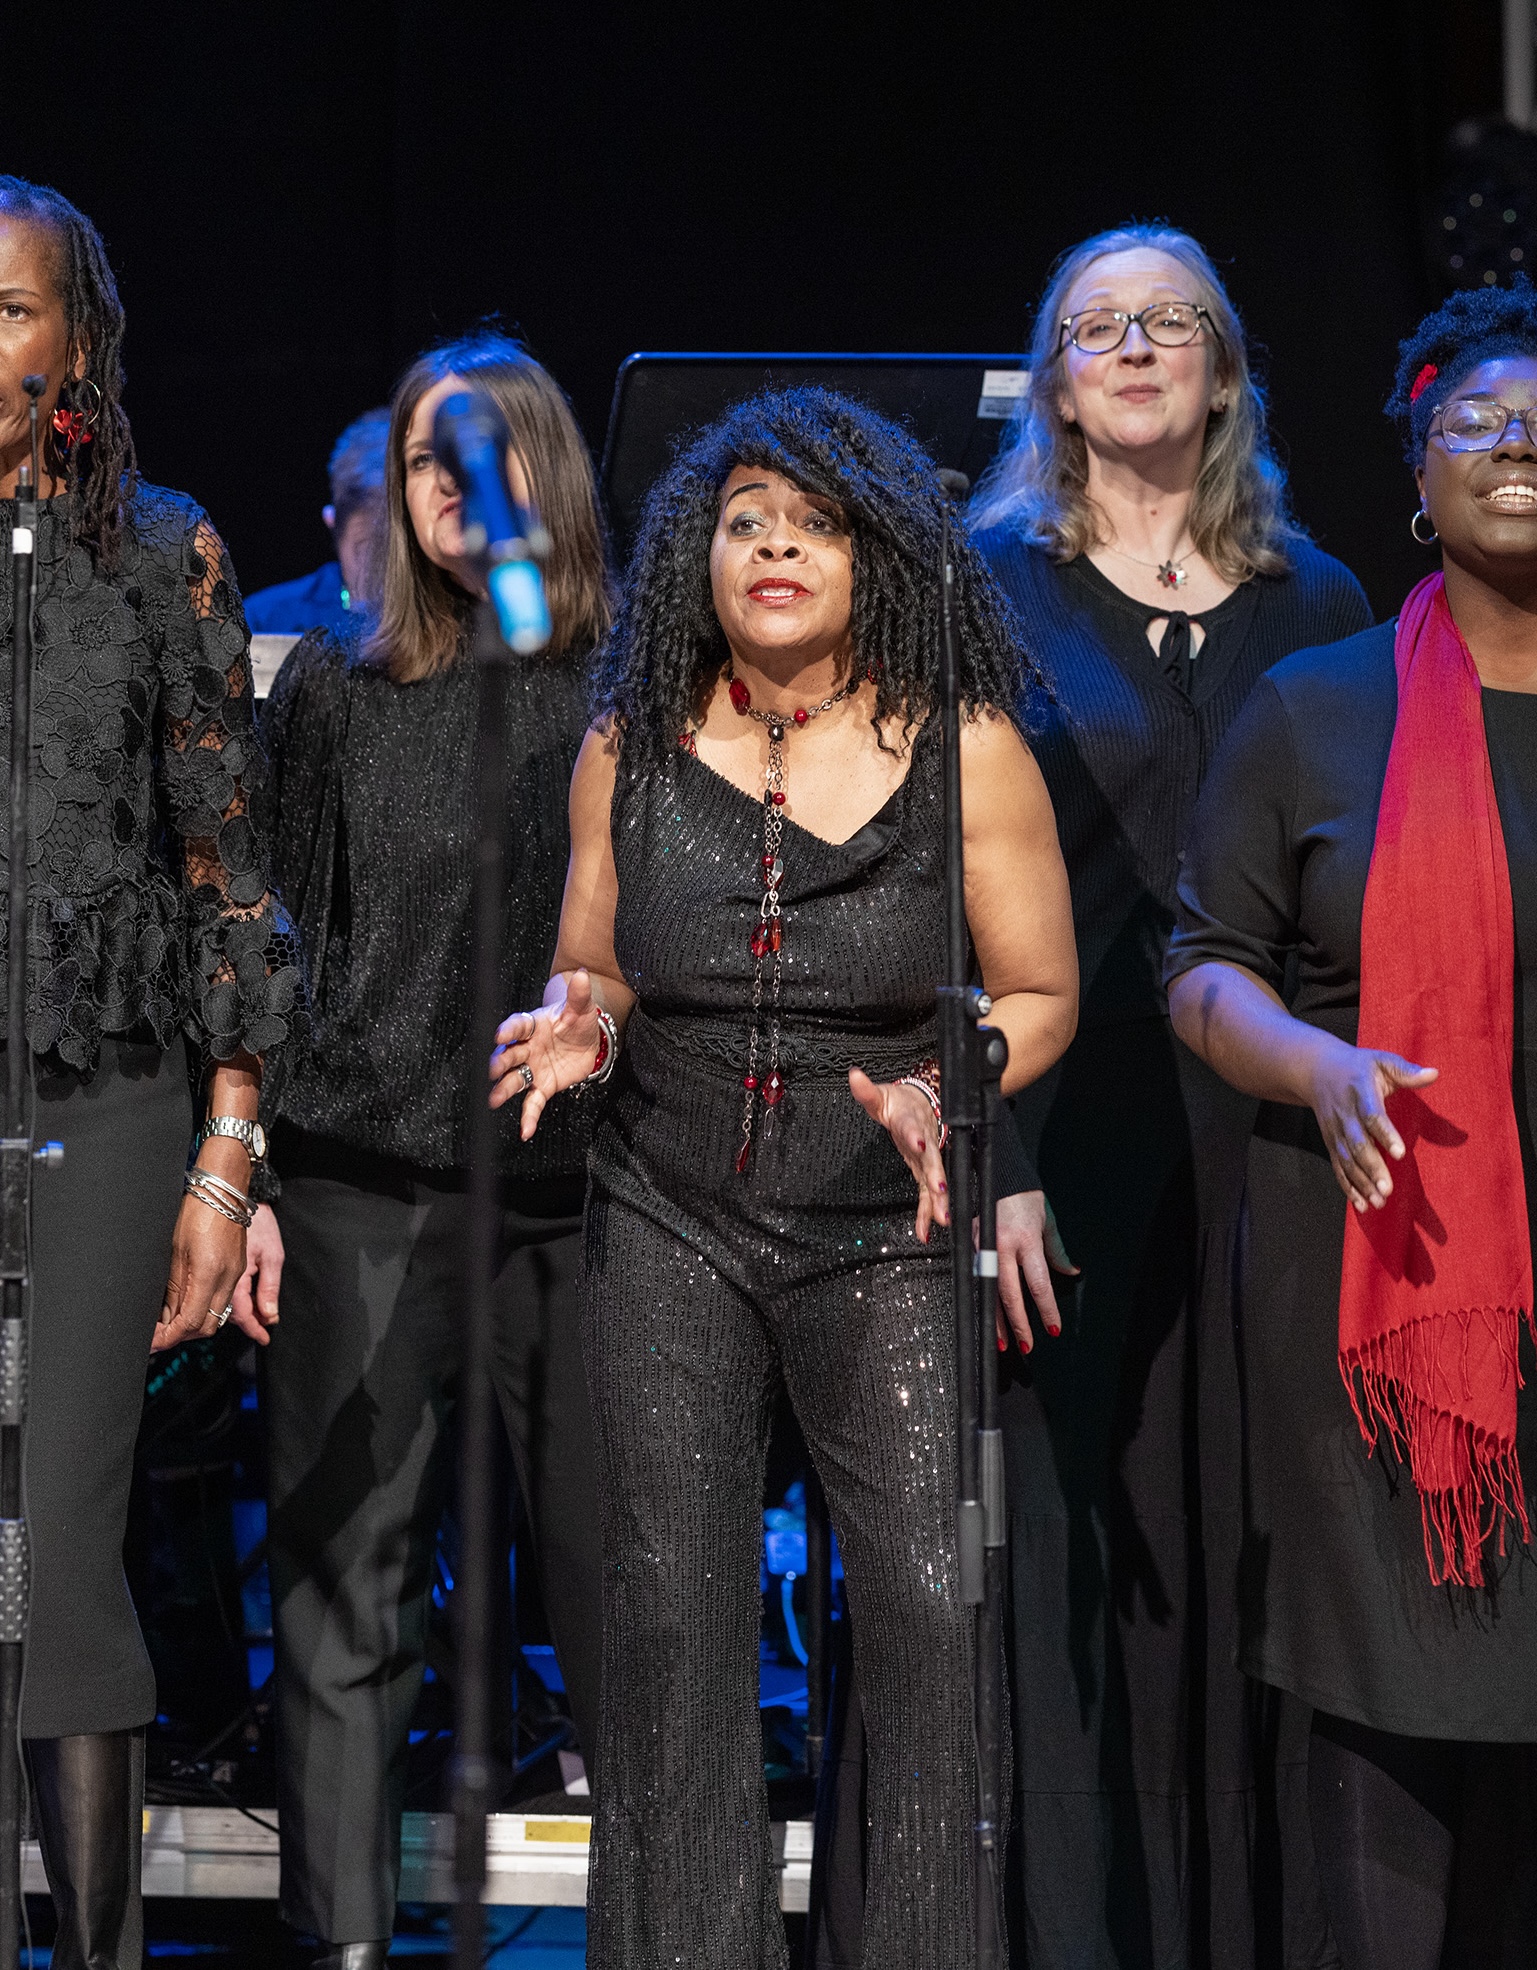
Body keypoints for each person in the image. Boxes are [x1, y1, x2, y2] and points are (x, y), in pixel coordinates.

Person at [489, 387, 1079, 1969]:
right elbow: (597, 964)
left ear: (876, 553)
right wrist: (579, 1026)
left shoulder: (964, 746)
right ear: (699, 549)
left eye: (815, 523)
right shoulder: (628, 740)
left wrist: (945, 1083)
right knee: (671, 1617)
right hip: (668, 1211)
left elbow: (1039, 990)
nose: (775, 546)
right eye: (745, 518)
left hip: (887, 1227)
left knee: (928, 1618)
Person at [966, 224, 1373, 1968]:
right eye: (1096, 327)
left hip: (1266, 1141)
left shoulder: (1322, 603)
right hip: (1057, 1128)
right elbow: (924, 899)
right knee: (1065, 1545)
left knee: (1262, 1530)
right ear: (1055, 387)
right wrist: (986, 1145)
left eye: (1170, 321)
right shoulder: (980, 591)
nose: (1134, 347)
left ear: (1223, 370)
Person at [1166, 282, 1537, 1970]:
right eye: (1480, 417)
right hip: (1374, 1283)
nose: (1517, 444)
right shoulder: (1318, 709)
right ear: (1418, 465)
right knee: (1386, 1702)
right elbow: (1202, 968)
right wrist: (1316, 1069)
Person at [252, 331, 612, 1970]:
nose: (451, 487)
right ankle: (340, 1940)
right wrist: (246, 1175)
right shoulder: (337, 684)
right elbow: (270, 934)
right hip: (364, 1183)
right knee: (348, 1593)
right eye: (421, 461)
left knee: (615, 1579)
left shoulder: (626, 680)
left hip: (582, 1198)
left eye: (482, 453)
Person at [0, 176, 297, 1968]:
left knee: (52, 1544)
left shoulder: (159, 553)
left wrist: (226, 1157)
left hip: (98, 1104)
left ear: (77, 343)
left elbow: (225, 872)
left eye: (8, 309)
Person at [244, 407, 389, 635]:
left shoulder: (449, 618)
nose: (385, 570)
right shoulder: (264, 621)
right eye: (367, 550)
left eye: (394, 547)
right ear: (331, 520)